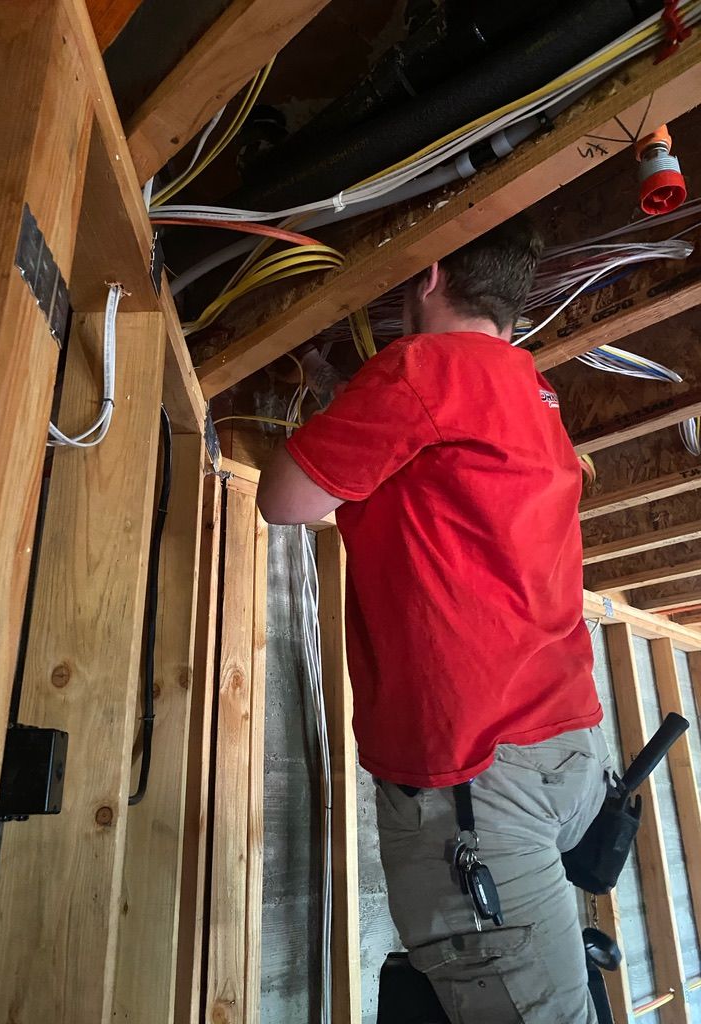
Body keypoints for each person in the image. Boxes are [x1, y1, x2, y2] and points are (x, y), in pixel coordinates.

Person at [256, 216, 611, 1024]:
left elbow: (282, 500)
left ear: (428, 278)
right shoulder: (536, 391)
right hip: (564, 749)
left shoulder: (424, 368)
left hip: (475, 778)